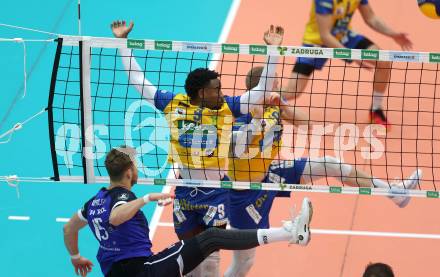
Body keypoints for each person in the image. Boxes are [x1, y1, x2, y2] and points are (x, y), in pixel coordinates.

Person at [111, 20, 284, 276]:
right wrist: (122, 43)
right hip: (184, 192)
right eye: (216, 89)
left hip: (215, 192)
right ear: (202, 92)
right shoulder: (173, 104)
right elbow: (138, 81)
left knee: (211, 258)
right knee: (187, 256)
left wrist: (273, 52)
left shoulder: (228, 106)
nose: (222, 93)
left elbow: (261, 91)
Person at [224, 66, 421, 277]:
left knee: (330, 163)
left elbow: (307, 124)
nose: (280, 85)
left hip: (270, 173)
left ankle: (394, 193)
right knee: (243, 263)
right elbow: (236, 148)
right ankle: (288, 233)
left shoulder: (274, 106)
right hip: (245, 193)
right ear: (264, 86)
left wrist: (282, 106)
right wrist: (258, 123)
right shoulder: (238, 117)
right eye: (276, 82)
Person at [62, 146, 313, 277]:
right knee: (211, 238)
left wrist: (75, 258)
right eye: (135, 165)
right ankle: (290, 233)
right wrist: (146, 198)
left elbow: (69, 228)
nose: (137, 169)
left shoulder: (92, 202)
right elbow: (116, 217)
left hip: (122, 272)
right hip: (142, 272)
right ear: (129, 171)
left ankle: (289, 233)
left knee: (204, 243)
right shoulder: (123, 196)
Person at [283, 0, 413, 129]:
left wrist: (393, 34)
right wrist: (352, 56)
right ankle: (265, 97)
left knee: (383, 61)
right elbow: (325, 36)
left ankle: (376, 109)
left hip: (344, 36)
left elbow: (371, 18)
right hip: (316, 42)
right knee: (293, 91)